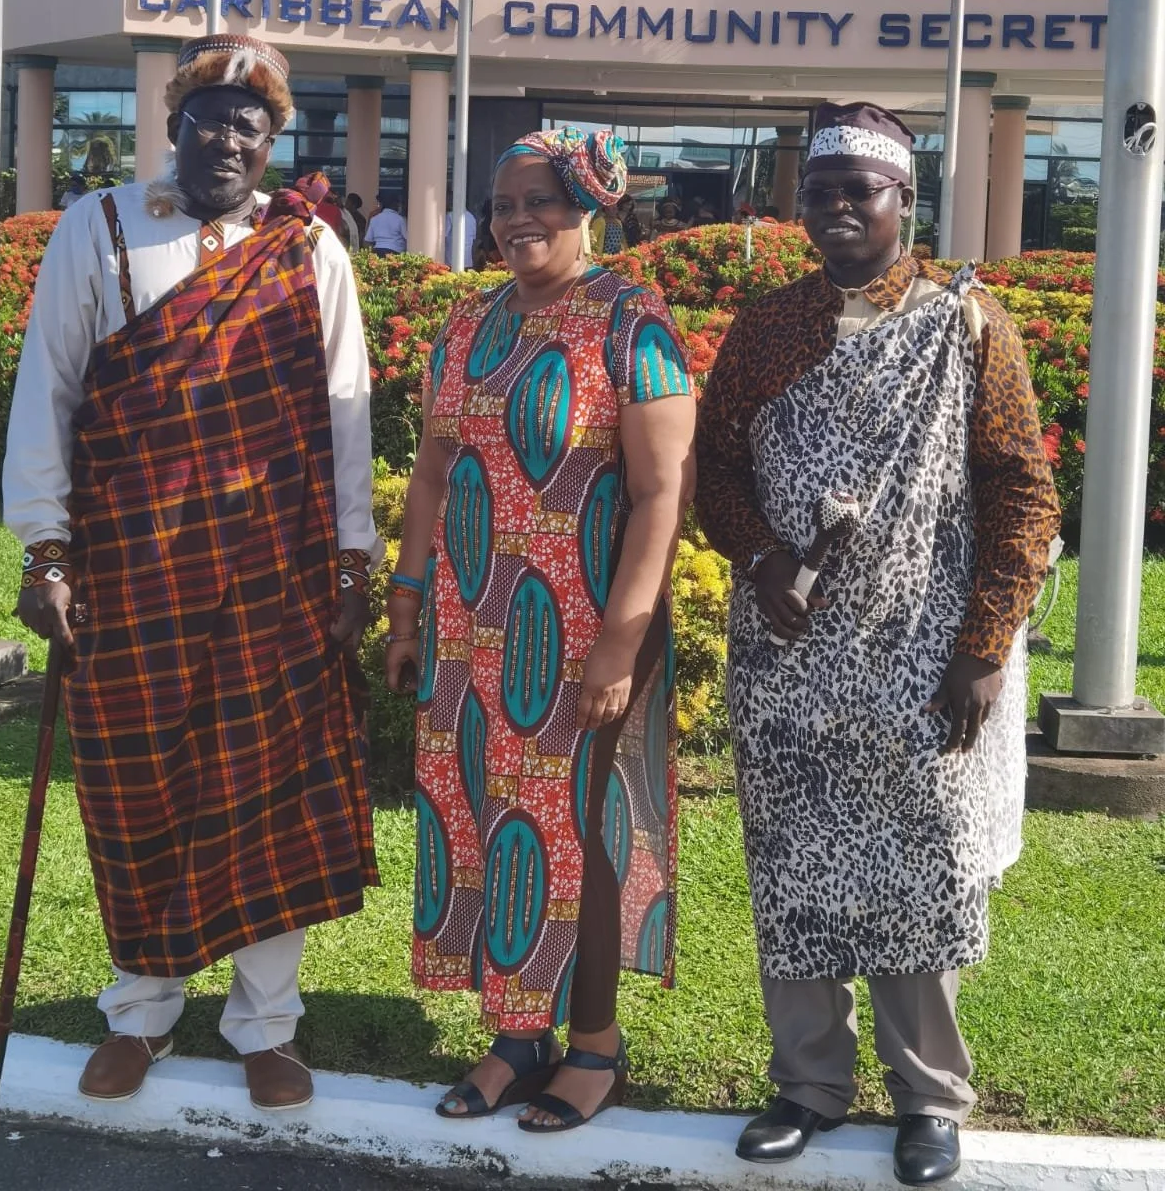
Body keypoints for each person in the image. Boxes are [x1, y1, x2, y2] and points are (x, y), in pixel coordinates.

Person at [3, 34, 383, 1113]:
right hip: (132, 563)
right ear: (174, 123)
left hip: (276, 563)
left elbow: (343, 413)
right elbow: (49, 397)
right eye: (209, 117)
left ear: (273, 143)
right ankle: (142, 1014)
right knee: (140, 785)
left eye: (249, 126)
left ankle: (268, 1026)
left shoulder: (309, 249)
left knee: (267, 785)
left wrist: (354, 563)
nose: (226, 139)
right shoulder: (101, 226)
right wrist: (47, 550)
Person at [694, 102, 1058, 1187]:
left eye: (865, 188)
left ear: (907, 200)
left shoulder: (967, 323)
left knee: (921, 870)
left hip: (921, 651)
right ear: (799, 202)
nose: (841, 207)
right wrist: (759, 559)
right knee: (798, 869)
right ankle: (805, 1085)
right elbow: (718, 471)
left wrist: (986, 643)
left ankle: (929, 1100)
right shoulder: (766, 329)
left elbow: (1024, 490)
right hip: (791, 656)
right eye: (822, 189)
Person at [386, 127, 695, 1134]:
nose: (518, 218)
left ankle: (594, 1047)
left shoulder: (633, 324)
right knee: (490, 818)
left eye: (540, 200)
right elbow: (433, 469)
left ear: (588, 202)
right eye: (503, 200)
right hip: (474, 627)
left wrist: (617, 641)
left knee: (581, 830)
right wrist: (407, 598)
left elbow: (661, 495)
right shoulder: (469, 321)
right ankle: (518, 1037)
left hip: (585, 628)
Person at [365, 189, 408, 255]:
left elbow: (368, 240)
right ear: (394, 204)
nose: (399, 205)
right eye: (398, 203)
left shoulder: (374, 219)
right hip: (395, 254)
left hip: (377, 253)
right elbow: (407, 238)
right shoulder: (400, 219)